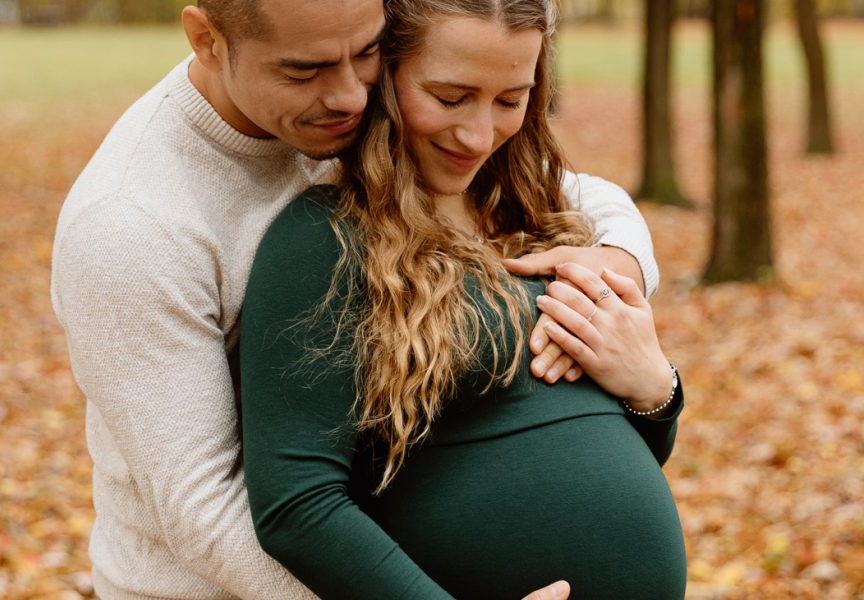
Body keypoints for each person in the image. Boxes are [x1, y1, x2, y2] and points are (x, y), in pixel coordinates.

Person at [50, 0, 662, 598]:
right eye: (304, 69)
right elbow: (205, 510)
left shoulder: (362, 114)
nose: (349, 95)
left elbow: (574, 193)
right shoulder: (130, 226)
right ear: (209, 40)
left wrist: (624, 265)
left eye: (367, 51)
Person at [240, 0, 686, 598]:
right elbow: (295, 506)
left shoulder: (548, 214)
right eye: (450, 98)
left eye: (510, 100)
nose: (480, 135)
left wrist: (657, 392)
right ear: (387, 74)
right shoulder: (324, 240)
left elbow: (622, 445)